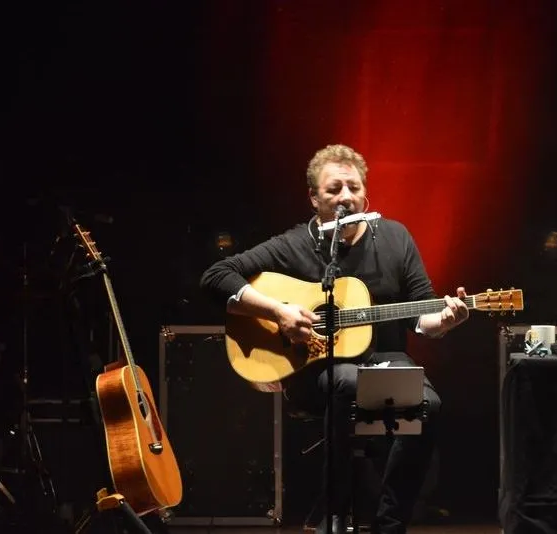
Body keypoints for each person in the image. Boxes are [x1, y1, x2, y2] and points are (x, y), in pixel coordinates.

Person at [199, 143, 470, 533]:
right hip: (320, 369)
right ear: (314, 198)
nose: (346, 196)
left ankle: (388, 522)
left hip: (386, 360)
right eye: (334, 189)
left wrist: (443, 321)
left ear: (365, 194)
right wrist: (279, 312)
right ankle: (335, 514)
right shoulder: (296, 243)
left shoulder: (394, 238)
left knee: (430, 405)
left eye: (354, 187)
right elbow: (217, 276)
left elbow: (421, 317)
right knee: (344, 384)